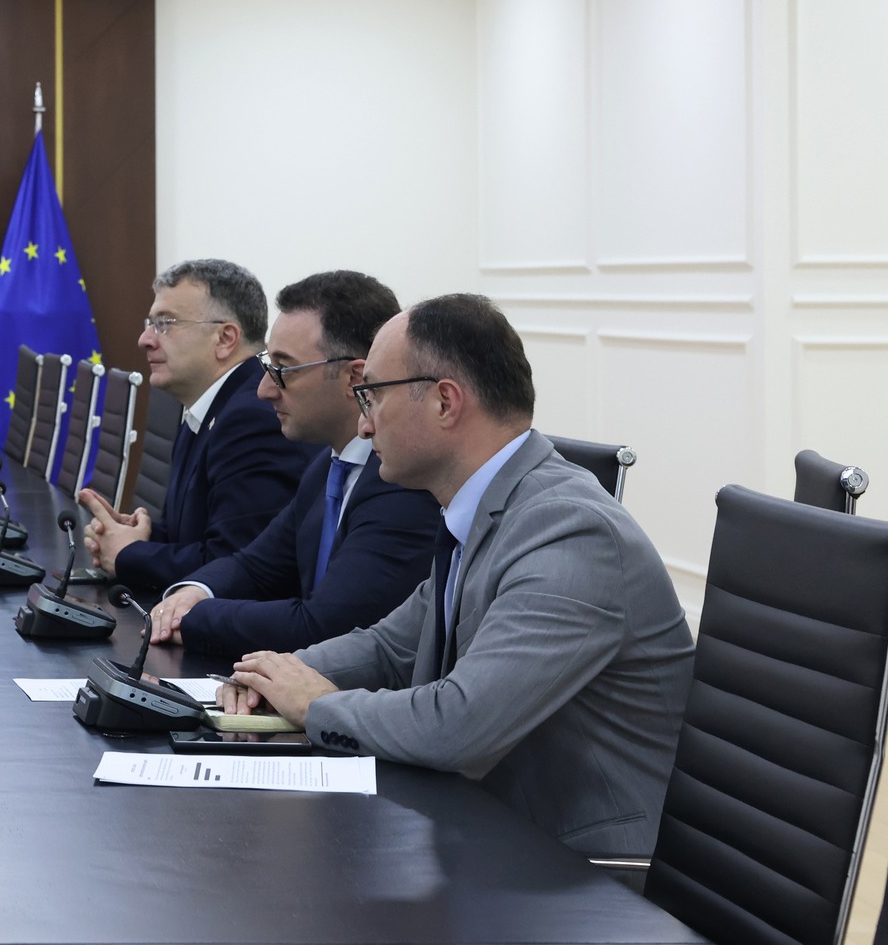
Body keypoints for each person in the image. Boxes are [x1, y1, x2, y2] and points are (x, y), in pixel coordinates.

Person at [220, 294, 694, 856]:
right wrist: (274, 677)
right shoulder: (483, 509)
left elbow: (459, 724)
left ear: (445, 402)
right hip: (488, 830)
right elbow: (390, 648)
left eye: (372, 394)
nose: (363, 423)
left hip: (582, 868)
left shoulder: (571, 531)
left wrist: (315, 707)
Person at [143, 271, 442, 655]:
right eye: (268, 367)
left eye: (282, 370)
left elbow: (323, 627)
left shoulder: (402, 481)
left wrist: (191, 618)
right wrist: (195, 592)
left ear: (354, 378)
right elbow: (254, 566)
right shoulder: (327, 466)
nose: (264, 389)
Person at [77, 259, 321, 592]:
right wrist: (136, 537)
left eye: (165, 323)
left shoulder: (252, 419)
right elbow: (195, 536)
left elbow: (234, 564)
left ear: (225, 338)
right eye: (150, 324)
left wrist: (128, 555)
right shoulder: (209, 405)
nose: (145, 339)